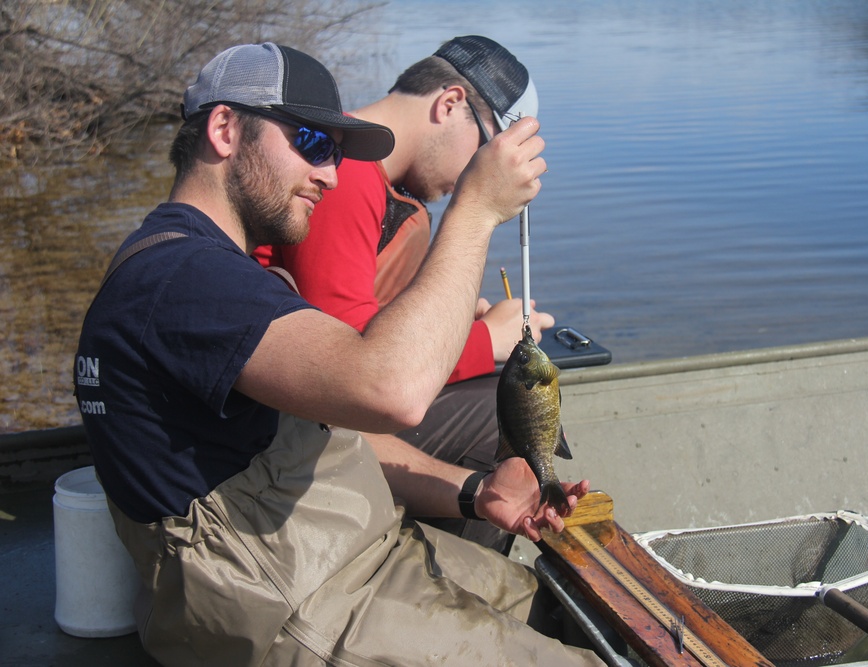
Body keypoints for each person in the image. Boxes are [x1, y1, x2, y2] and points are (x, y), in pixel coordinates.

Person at [74, 42, 602, 666]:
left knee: (578, 612)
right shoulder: (182, 277)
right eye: (311, 143)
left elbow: (335, 438)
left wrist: (478, 492)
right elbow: (393, 391)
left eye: (334, 151)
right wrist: (477, 208)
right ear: (224, 129)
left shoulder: (219, 273)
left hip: (352, 556)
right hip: (288, 607)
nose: (329, 173)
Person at [255, 36, 553, 555]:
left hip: (307, 402)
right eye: (484, 155)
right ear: (450, 103)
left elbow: (348, 317)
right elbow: (348, 369)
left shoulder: (364, 174)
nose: (476, 175)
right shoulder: (342, 175)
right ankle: (450, 581)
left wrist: (457, 322)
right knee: (497, 417)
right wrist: (486, 340)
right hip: (284, 428)